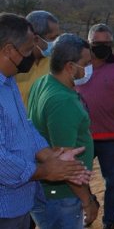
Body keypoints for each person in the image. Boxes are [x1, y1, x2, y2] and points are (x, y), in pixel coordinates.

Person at [0, 13, 91, 229]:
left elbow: (25, 126)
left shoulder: (8, 79)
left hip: (21, 203)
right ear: (9, 51)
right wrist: (44, 171)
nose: (33, 55)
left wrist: (50, 155)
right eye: (28, 50)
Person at [28, 33, 99, 229]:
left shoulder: (43, 82)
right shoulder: (63, 101)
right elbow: (66, 164)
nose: (89, 68)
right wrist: (87, 201)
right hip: (61, 196)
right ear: (70, 67)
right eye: (86, 63)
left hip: (51, 191)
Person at [76, 24, 114, 229]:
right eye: (97, 44)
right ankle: (89, 205)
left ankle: (110, 221)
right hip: (82, 137)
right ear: (89, 43)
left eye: (107, 43)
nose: (103, 47)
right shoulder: (78, 65)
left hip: (111, 135)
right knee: (79, 179)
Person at [16, 10, 61, 107]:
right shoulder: (14, 64)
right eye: (53, 38)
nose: (57, 42)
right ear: (36, 38)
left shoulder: (55, 63)